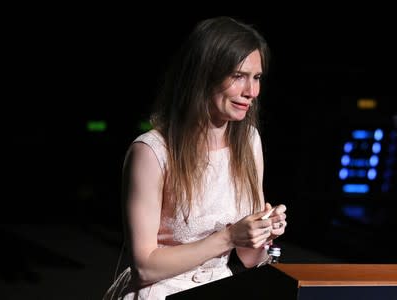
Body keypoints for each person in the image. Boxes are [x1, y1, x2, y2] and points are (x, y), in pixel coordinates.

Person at [103, 16, 287, 300]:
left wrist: (261, 232)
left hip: (221, 287)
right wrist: (228, 237)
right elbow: (144, 267)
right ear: (204, 74)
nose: (251, 92)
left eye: (257, 77)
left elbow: (250, 258)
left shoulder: (249, 141)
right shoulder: (153, 151)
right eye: (238, 76)